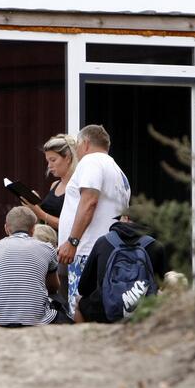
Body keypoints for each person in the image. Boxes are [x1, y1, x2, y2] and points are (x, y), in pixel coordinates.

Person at [58, 125, 131, 317]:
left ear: (86, 143)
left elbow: (89, 201)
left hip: (86, 252)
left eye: (77, 147)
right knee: (103, 310)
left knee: (80, 308)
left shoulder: (90, 162)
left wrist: (73, 241)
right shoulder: (118, 172)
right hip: (109, 250)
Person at [0, 207, 71, 327]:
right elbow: (53, 286)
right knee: (63, 311)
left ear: (6, 228)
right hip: (35, 320)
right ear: (33, 229)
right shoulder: (47, 249)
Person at [76, 214, 167, 323]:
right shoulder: (157, 246)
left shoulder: (103, 241)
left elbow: (83, 288)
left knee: (78, 302)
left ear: (126, 218)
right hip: (143, 312)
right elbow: (162, 285)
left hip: (103, 312)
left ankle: (86, 339)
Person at [22, 134, 78, 231]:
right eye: (48, 161)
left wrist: (40, 212)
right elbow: (44, 223)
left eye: (53, 160)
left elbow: (72, 225)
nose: (49, 166)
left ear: (68, 158)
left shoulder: (77, 187)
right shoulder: (55, 185)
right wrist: (36, 205)